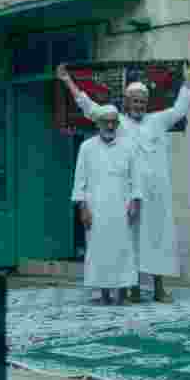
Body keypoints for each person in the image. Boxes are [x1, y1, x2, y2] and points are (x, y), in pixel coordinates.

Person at [58, 61, 190, 303]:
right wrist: (68, 81)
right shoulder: (117, 122)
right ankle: (132, 287)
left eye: (142, 102)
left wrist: (188, 80)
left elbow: (181, 108)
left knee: (158, 238)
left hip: (156, 194)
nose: (139, 105)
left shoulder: (158, 120)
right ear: (127, 102)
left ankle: (159, 288)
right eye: (135, 101)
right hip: (130, 195)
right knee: (131, 242)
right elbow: (90, 108)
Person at [71, 104, 143, 306]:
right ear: (98, 123)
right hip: (96, 209)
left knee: (122, 249)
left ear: (118, 124)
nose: (110, 125)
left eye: (114, 122)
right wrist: (82, 208)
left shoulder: (129, 147)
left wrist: (134, 203)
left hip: (122, 207)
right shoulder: (86, 148)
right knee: (99, 250)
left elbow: (136, 179)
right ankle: (103, 294)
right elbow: (80, 181)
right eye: (106, 121)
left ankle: (121, 294)